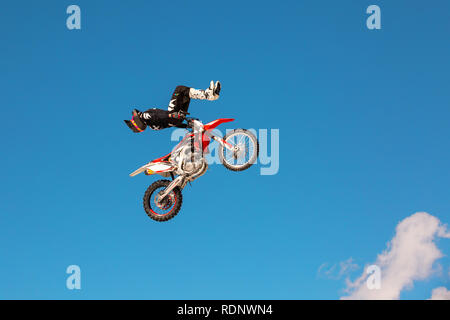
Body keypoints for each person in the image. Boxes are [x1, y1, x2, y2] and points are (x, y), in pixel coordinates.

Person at [124, 81, 221, 132]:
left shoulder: (153, 127)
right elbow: (159, 115)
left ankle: (209, 94)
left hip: (177, 119)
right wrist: (171, 115)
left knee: (186, 94)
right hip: (173, 114)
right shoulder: (145, 115)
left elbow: (170, 124)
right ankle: (208, 95)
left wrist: (186, 125)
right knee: (179, 89)